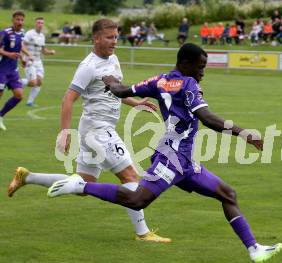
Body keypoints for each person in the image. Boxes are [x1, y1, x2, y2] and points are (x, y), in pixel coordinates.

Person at [47, 43, 282, 263]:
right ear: (186, 63)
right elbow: (207, 118)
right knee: (137, 199)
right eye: (200, 67)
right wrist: (243, 133)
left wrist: (110, 82)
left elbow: (123, 90)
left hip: (186, 162)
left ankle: (254, 249)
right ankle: (79, 186)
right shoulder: (189, 84)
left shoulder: (159, 81)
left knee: (227, 194)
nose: (203, 72)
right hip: (172, 158)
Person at [8, 19, 170, 243]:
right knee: (130, 176)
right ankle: (143, 233)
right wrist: (64, 133)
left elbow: (113, 92)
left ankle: (27, 177)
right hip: (98, 129)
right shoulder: (88, 66)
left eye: (115, 37)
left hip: (96, 128)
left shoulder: (113, 60)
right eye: (109, 37)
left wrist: (135, 103)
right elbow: (68, 99)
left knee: (85, 185)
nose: (114, 42)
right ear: (95, 38)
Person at [0, 11, 32, 131]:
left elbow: (19, 48)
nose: (20, 22)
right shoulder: (5, 33)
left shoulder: (22, 34)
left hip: (13, 71)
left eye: (22, 20)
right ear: (13, 20)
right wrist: (9, 54)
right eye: (17, 20)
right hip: (2, 69)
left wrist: (23, 58)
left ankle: (0, 116)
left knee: (19, 95)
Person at [20, 17, 55, 107]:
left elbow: (43, 50)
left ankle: (30, 102)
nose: (40, 24)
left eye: (42, 23)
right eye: (38, 22)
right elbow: (22, 46)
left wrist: (50, 52)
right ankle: (15, 82)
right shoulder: (30, 33)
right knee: (33, 83)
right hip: (29, 61)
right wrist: (24, 57)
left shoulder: (42, 36)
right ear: (35, 24)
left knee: (39, 82)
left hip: (38, 61)